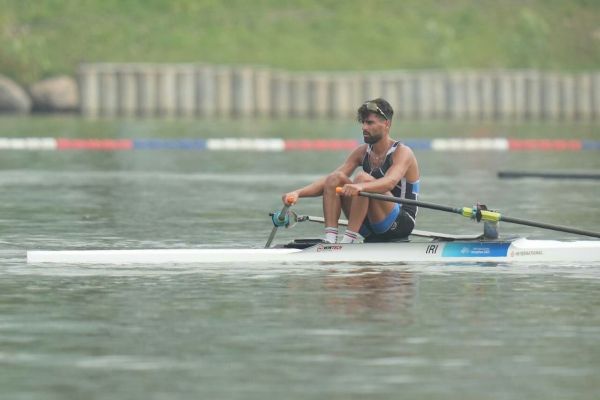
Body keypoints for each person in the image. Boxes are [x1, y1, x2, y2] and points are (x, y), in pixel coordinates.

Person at [282, 98, 420, 244]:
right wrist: (297, 193)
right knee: (335, 179)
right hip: (369, 225)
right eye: (363, 122)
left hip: (400, 223)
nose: (364, 127)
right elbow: (328, 183)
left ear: (387, 124)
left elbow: (390, 182)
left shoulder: (402, 152)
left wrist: (360, 186)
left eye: (370, 123)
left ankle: (348, 241)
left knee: (362, 178)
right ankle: (330, 241)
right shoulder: (361, 152)